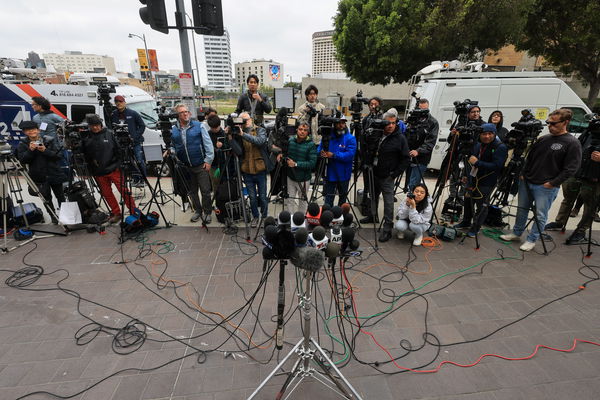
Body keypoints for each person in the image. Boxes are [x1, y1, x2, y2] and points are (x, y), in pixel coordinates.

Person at [500, 109, 582, 251]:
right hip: (527, 181)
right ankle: (517, 232)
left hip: (546, 186)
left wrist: (552, 183)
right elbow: (530, 158)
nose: (550, 126)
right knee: (522, 210)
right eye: (548, 123)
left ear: (565, 122)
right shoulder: (544, 139)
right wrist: (523, 174)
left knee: (540, 214)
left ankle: (532, 239)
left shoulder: (572, 143)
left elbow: (571, 169)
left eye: (554, 123)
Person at [544, 121, 600, 243]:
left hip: (595, 176)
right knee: (568, 197)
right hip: (577, 170)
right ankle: (559, 222)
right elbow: (578, 145)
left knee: (590, 204)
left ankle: (581, 231)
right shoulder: (591, 130)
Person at [360, 109, 410, 242]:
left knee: (388, 203)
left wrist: (394, 174)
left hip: (388, 176)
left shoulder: (400, 138)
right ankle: (372, 216)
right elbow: (365, 147)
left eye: (393, 123)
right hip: (373, 172)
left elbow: (405, 159)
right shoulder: (376, 134)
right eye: (388, 123)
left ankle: (387, 228)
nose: (391, 126)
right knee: (373, 197)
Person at [454, 123, 508, 237]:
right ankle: (466, 221)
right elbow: (470, 161)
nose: (487, 136)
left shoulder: (500, 147)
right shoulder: (477, 145)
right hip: (472, 178)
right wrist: (466, 174)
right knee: (468, 201)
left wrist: (478, 163)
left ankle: (476, 228)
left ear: (494, 134)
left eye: (490, 134)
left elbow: (497, 166)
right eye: (484, 134)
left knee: (481, 206)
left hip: (487, 182)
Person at [81, 114, 137, 224]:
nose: (95, 128)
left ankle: (134, 211)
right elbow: (85, 154)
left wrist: (118, 166)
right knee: (107, 194)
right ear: (89, 126)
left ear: (100, 124)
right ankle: (116, 213)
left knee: (124, 191)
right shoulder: (87, 137)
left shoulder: (109, 134)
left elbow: (119, 151)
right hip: (99, 172)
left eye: (97, 125)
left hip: (114, 169)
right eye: (93, 126)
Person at [170, 104, 215, 223]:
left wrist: (208, 160)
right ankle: (198, 211)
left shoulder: (199, 126)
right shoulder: (174, 129)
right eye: (182, 112)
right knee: (192, 192)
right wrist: (172, 151)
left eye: (186, 112)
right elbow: (174, 145)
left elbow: (208, 144)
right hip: (186, 167)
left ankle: (207, 212)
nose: (185, 114)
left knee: (205, 191)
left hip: (201, 164)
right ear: (177, 115)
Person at [16, 121, 66, 224]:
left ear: (38, 130)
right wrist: (30, 150)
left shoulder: (49, 140)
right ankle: (53, 216)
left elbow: (59, 156)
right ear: (25, 132)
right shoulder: (23, 144)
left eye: (34, 129)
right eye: (29, 130)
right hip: (38, 176)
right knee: (46, 198)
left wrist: (45, 150)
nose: (32, 132)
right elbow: (23, 160)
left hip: (54, 172)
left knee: (60, 195)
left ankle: (65, 215)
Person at [230, 112, 274, 227]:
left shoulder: (260, 130)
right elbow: (238, 151)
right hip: (247, 170)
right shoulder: (238, 133)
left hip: (260, 169)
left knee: (263, 197)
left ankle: (264, 217)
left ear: (251, 119)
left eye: (246, 120)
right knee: (252, 197)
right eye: (242, 120)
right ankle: (255, 217)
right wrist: (231, 137)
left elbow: (260, 141)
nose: (244, 122)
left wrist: (243, 134)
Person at [318, 115, 356, 207]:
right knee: (328, 198)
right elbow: (319, 149)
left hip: (343, 174)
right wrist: (321, 152)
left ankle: (341, 217)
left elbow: (350, 155)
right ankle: (327, 216)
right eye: (338, 123)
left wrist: (334, 155)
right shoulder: (328, 136)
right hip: (330, 174)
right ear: (334, 124)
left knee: (342, 199)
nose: (341, 125)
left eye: (343, 123)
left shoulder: (350, 138)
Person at [278, 122, 317, 212]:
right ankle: (291, 221)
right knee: (289, 200)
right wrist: (281, 154)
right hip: (290, 177)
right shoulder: (291, 140)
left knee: (303, 202)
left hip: (303, 179)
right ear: (296, 130)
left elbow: (312, 163)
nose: (302, 132)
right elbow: (286, 153)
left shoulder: (311, 145)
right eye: (300, 129)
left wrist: (296, 164)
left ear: (308, 132)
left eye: (305, 130)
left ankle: (301, 220)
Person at [111, 95, 146, 187]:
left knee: (139, 161)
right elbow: (111, 127)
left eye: (121, 101)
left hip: (135, 142)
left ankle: (143, 180)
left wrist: (134, 136)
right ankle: (136, 179)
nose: (119, 103)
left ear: (124, 102)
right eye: (117, 102)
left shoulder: (133, 113)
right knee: (128, 161)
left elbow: (142, 126)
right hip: (122, 143)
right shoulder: (113, 114)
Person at [405, 98, 439, 190]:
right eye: (421, 109)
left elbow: (431, 141)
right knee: (408, 181)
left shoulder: (433, 122)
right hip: (408, 154)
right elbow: (406, 135)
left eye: (425, 109)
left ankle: (412, 200)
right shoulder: (413, 119)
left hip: (421, 157)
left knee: (413, 182)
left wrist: (418, 151)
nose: (422, 112)